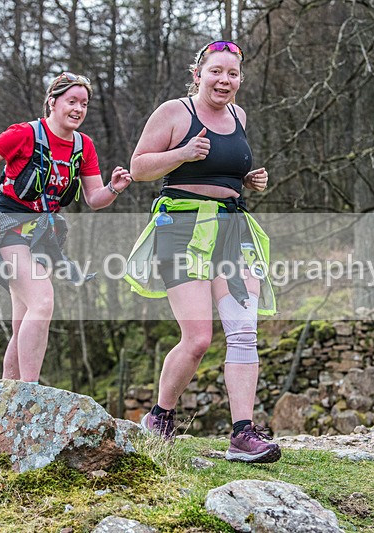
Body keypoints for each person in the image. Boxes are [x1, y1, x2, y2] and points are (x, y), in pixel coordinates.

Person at [124, 41, 280, 463]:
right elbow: (139, 168)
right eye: (215, 72)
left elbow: (226, 170)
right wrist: (183, 153)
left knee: (244, 329)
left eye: (232, 74)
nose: (223, 80)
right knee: (197, 339)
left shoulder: (239, 116)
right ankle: (160, 416)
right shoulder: (175, 113)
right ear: (198, 74)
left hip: (233, 227)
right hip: (181, 228)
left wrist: (249, 178)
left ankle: (243, 434)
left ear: (239, 81)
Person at [0, 72, 132, 384]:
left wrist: (114, 187)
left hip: (42, 234)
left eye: (84, 104)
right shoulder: (24, 134)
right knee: (42, 301)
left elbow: (95, 198)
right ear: (53, 103)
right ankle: (30, 391)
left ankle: (5, 398)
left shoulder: (84, 146)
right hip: (6, 227)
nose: (79, 109)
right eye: (72, 101)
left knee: (23, 321)